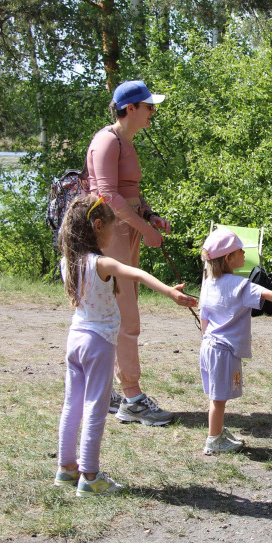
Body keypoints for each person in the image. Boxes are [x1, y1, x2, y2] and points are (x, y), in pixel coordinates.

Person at [54, 195, 198, 496]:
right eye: (110, 226)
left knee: (72, 405)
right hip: (98, 343)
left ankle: (67, 468)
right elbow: (138, 274)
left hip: (75, 339)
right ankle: (90, 477)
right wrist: (170, 293)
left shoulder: (67, 261)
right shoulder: (101, 263)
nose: (112, 233)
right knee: (95, 407)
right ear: (97, 226)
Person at [86, 79, 178, 425]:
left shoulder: (125, 141)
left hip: (126, 230)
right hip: (113, 234)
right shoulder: (107, 141)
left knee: (119, 311)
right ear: (130, 109)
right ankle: (132, 398)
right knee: (126, 315)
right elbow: (107, 196)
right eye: (149, 107)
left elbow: (129, 191)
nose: (153, 113)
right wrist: (147, 231)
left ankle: (109, 392)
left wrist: (151, 215)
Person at [198, 227, 272, 454]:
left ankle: (218, 432)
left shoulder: (208, 282)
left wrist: (206, 338)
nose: (244, 254)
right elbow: (265, 293)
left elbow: (204, 317)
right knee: (218, 399)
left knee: (216, 394)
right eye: (241, 250)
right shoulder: (239, 285)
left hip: (209, 347)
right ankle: (213, 440)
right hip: (224, 350)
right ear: (229, 258)